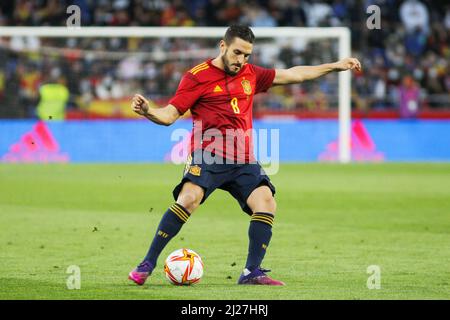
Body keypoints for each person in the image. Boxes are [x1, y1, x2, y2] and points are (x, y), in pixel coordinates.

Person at [128, 25, 361, 286]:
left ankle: (252, 272)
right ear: (222, 46)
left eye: (247, 55)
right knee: (189, 198)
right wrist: (149, 110)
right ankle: (147, 263)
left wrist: (335, 65)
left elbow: (294, 74)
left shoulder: (252, 74)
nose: (241, 60)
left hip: (243, 157)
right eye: (237, 52)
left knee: (266, 202)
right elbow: (170, 114)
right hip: (208, 154)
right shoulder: (196, 77)